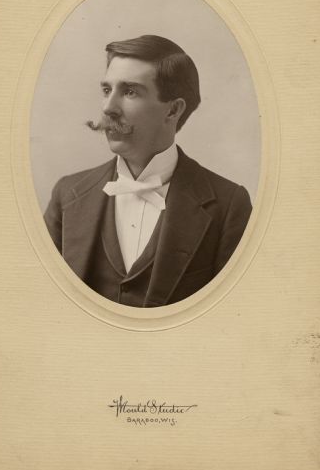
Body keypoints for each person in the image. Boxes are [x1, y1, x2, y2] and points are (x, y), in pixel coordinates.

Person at [44, 34, 252, 307]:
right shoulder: (67, 195)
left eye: (129, 91)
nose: (108, 107)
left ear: (173, 110)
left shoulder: (227, 206)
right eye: (107, 90)